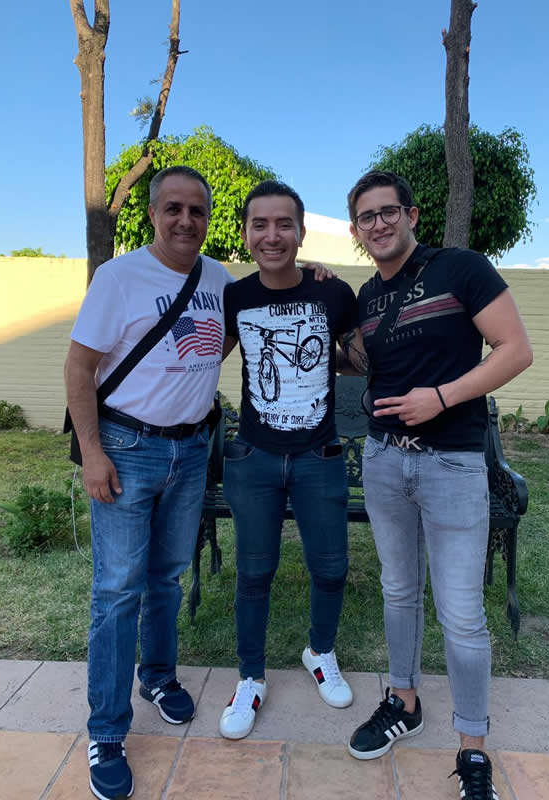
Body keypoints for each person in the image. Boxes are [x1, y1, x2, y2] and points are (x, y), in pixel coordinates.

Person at [342, 170, 533, 800]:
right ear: (356, 230)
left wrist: (442, 397)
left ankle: (472, 748)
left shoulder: (461, 269)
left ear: (412, 214)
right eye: (366, 217)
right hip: (383, 461)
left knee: (461, 614)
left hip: (451, 463)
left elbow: (515, 349)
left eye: (387, 211)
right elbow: (363, 358)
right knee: (398, 592)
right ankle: (404, 702)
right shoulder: (368, 296)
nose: (378, 224)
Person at [64, 166, 233, 800]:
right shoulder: (119, 277)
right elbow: (79, 367)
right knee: (116, 592)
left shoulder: (218, 280)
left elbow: (227, 337)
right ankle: (107, 731)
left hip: (190, 451)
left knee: (167, 577)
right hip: (126, 449)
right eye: (173, 209)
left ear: (207, 217)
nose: (186, 220)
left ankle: (157, 675)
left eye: (197, 210)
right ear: (153, 213)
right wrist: (92, 452)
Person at [218, 180, 363, 740]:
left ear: (302, 233)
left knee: (331, 568)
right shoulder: (234, 297)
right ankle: (250, 678)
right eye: (260, 224)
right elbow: (203, 358)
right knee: (254, 573)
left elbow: (360, 359)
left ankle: (320, 651)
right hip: (254, 458)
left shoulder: (334, 292)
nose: (272, 235)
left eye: (284, 224)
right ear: (246, 233)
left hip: (317, 457)